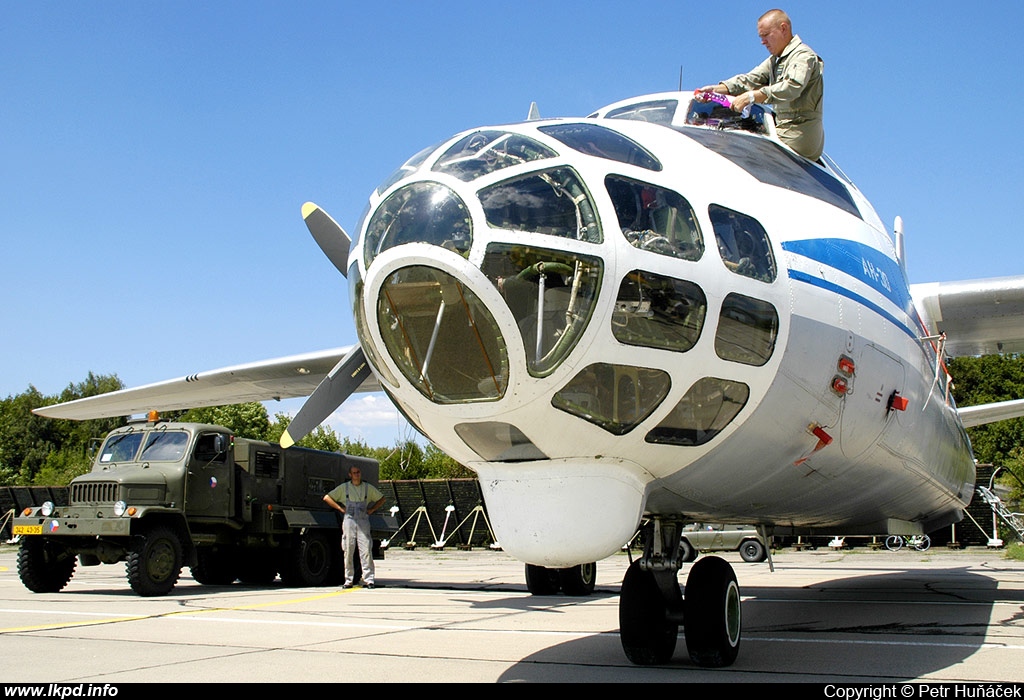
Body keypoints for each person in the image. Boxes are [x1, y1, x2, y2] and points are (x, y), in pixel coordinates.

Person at [697, 9, 824, 160]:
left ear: (783, 28)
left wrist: (752, 97)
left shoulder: (802, 56)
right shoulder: (776, 60)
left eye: (765, 35)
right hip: (785, 130)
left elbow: (792, 87)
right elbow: (750, 80)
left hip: (798, 134)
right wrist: (717, 90)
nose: (762, 42)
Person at [323, 464, 386, 589]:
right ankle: (348, 579)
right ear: (350, 475)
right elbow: (327, 497)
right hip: (349, 521)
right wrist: (340, 508)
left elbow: (382, 498)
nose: (357, 474)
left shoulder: (367, 488)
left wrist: (372, 509)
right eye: (354, 472)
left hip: (363, 521)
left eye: (358, 472)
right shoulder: (344, 488)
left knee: (366, 549)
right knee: (348, 549)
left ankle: (369, 579)